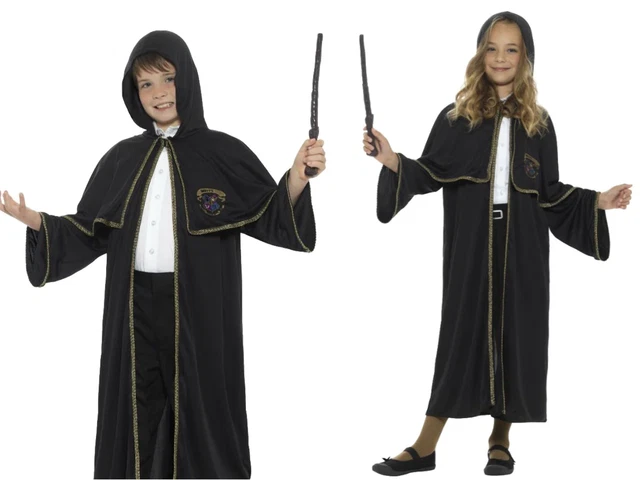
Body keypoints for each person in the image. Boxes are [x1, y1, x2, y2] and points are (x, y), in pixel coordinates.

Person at [0, 30, 326, 479]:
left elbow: (269, 214)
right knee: (139, 408)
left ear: (187, 79)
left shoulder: (222, 152)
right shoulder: (121, 158)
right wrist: (39, 222)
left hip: (199, 305)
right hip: (133, 305)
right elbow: (90, 230)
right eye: (146, 84)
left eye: (168, 78)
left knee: (200, 407)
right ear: (134, 94)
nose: (158, 93)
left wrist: (297, 177)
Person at [363, 11, 632, 477]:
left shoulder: (539, 123)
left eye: (511, 49)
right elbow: (429, 171)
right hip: (471, 242)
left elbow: (549, 192)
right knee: (459, 334)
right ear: (480, 54)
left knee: (516, 336)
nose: (501, 58)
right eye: (492, 48)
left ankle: (500, 440)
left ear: (525, 57)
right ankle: (426, 446)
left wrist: (597, 202)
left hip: (524, 244)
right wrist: (392, 161)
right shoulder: (456, 118)